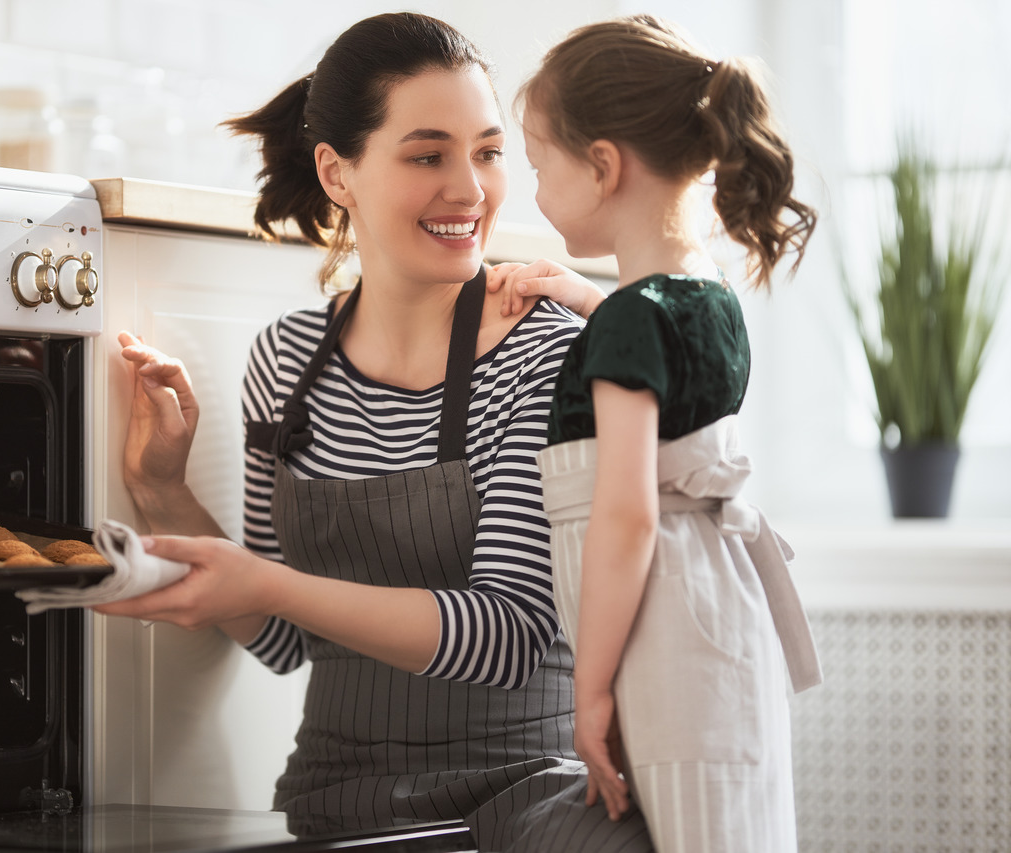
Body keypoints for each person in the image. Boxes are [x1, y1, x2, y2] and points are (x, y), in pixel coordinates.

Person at [98, 12, 653, 853]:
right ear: (338, 171)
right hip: (338, 805)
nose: (469, 189)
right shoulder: (287, 362)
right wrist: (164, 485)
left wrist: (265, 582)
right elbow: (284, 637)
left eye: (490, 151)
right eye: (428, 155)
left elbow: (504, 635)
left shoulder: (546, 353)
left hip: (530, 801)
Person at [511, 14, 824, 853]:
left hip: (663, 635)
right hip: (719, 607)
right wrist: (587, 298)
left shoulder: (630, 327)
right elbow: (657, 344)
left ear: (604, 165)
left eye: (539, 163)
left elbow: (627, 517)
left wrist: (591, 692)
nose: (532, 190)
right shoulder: (706, 292)